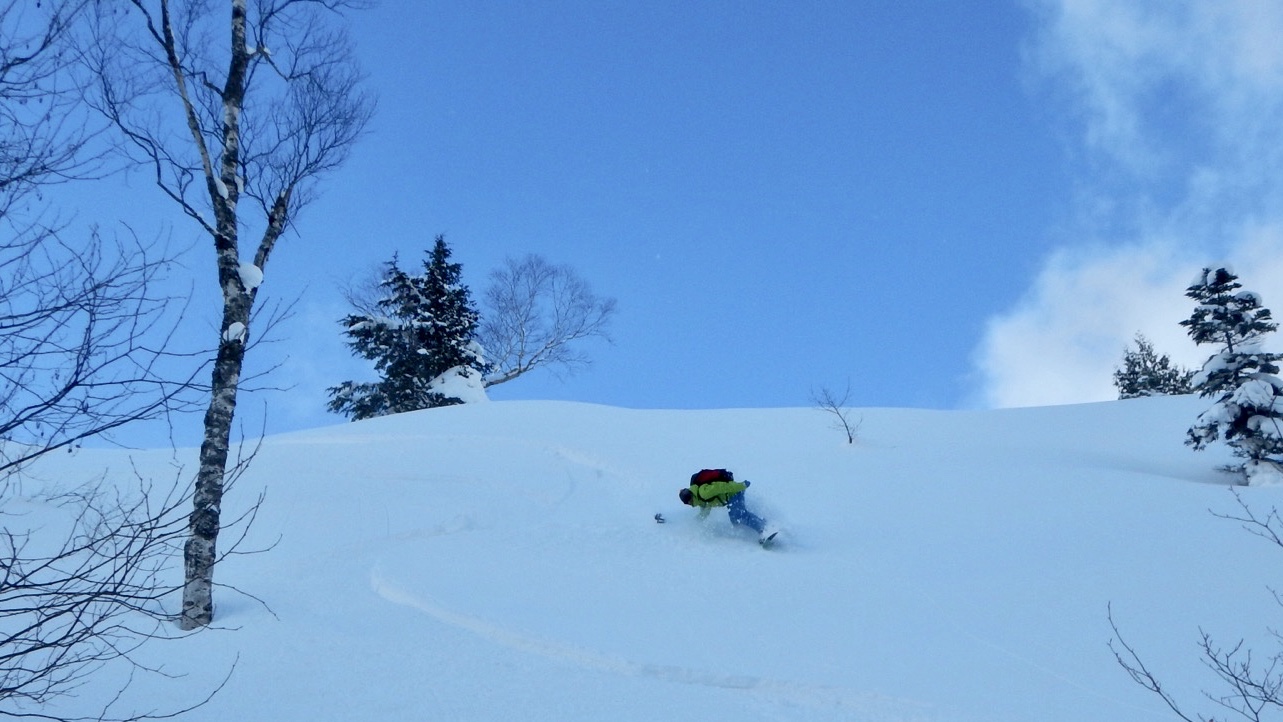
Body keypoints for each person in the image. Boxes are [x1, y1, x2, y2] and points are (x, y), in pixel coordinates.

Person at [679, 470, 773, 541]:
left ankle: (764, 530)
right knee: (735, 521)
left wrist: (741, 485)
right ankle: (764, 523)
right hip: (730, 498)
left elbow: (722, 487)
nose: (690, 504)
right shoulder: (700, 500)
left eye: (689, 502)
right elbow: (705, 512)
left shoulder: (703, 492)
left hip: (734, 492)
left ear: (690, 497)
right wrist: (694, 523)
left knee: (738, 516)